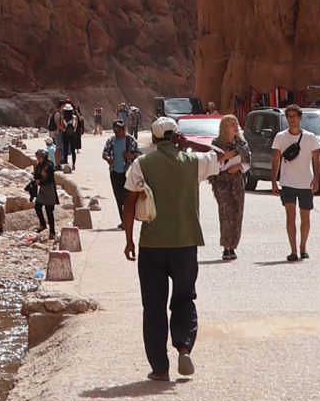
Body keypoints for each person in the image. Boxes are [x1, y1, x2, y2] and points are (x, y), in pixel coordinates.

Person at [121, 117, 220, 381]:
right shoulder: (193, 163)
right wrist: (190, 145)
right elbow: (219, 157)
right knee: (184, 298)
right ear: (177, 137)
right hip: (186, 243)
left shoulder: (141, 164)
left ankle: (160, 368)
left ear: (153, 139)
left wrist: (129, 240)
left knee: (153, 306)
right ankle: (184, 346)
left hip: (152, 245)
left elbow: (128, 205)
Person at [271, 103, 320, 261]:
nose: (292, 119)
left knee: (305, 217)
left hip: (306, 183)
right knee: (290, 217)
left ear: (300, 118)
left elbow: (317, 159)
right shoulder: (280, 137)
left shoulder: (310, 137)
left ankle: (303, 247)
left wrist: (317, 179)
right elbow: (276, 159)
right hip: (287, 183)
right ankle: (293, 251)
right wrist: (274, 181)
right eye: (289, 117)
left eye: (294, 116)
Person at [210, 113, 249, 261]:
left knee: (237, 213)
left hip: (237, 181)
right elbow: (211, 162)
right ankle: (226, 247)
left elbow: (248, 160)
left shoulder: (242, 143)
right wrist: (224, 158)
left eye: (236, 123)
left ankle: (233, 246)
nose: (235, 126)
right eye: (231, 124)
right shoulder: (217, 143)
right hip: (222, 182)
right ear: (224, 127)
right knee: (226, 214)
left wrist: (239, 166)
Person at [103, 119, 140, 218]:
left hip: (127, 173)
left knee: (126, 198)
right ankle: (123, 220)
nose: (121, 131)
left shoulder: (131, 140)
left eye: (123, 129)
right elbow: (104, 153)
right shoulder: (111, 141)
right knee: (118, 198)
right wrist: (108, 159)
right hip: (114, 173)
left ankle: (127, 218)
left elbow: (140, 156)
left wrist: (131, 156)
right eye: (118, 130)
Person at [31, 149, 60, 237]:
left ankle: (52, 232)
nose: (38, 158)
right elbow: (36, 176)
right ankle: (42, 224)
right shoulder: (39, 165)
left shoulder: (49, 165)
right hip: (43, 189)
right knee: (37, 207)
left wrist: (41, 181)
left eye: (39, 157)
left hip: (49, 190)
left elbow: (50, 179)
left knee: (49, 212)